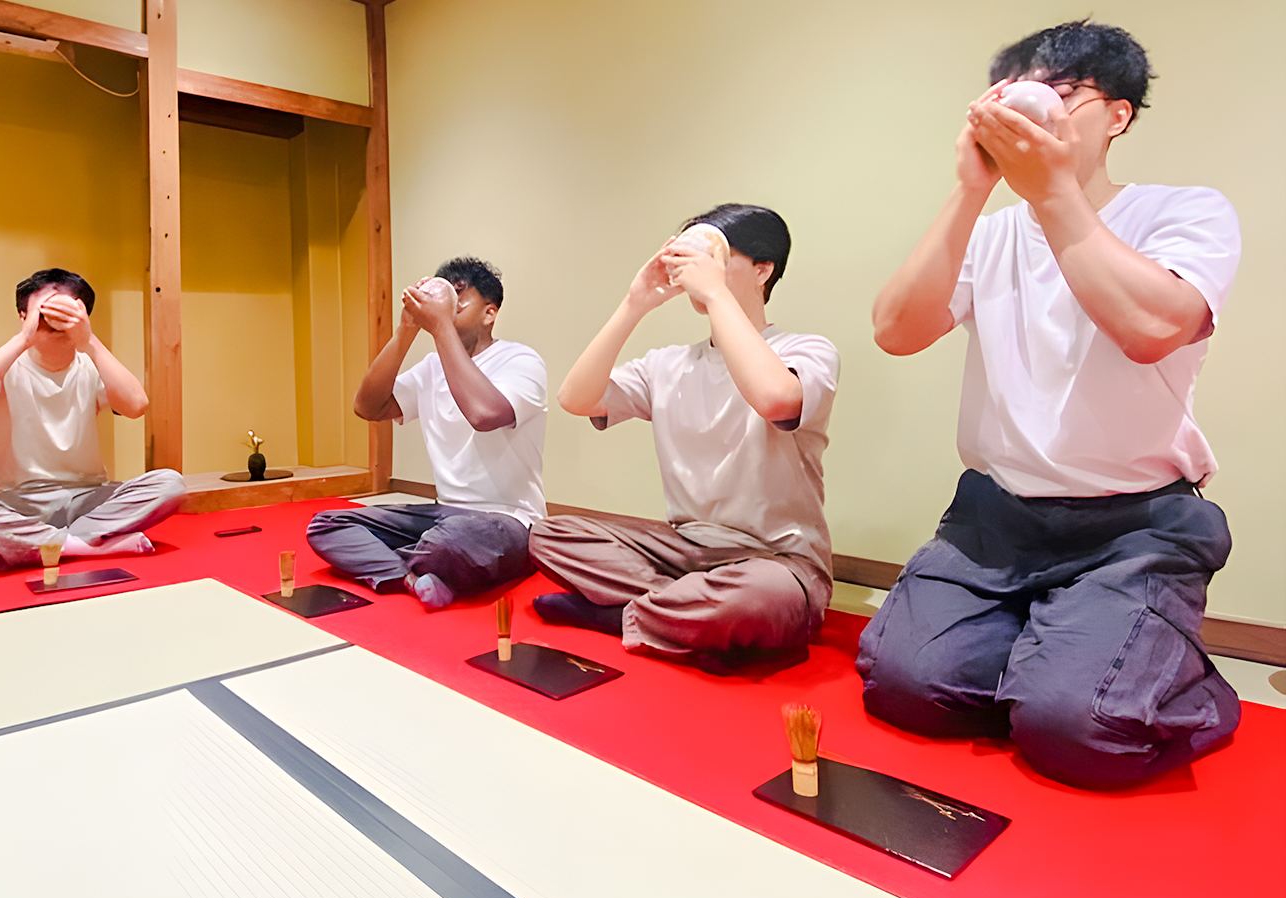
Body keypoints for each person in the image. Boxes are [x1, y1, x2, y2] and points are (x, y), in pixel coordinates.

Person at [860, 21, 1242, 787]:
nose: (1036, 109)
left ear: (1118, 114)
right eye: (1015, 93)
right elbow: (895, 331)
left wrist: (1055, 194)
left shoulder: (1186, 211)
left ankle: (1163, 674)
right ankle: (1064, 646)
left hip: (1138, 527)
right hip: (992, 523)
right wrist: (972, 186)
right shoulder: (990, 229)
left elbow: (1150, 328)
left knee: (1077, 730)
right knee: (906, 688)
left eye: (1063, 91)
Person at [531, 205, 839, 669]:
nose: (696, 267)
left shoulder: (806, 350)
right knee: (549, 534)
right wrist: (635, 301)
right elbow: (576, 399)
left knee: (759, 598)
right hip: (682, 550)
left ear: (763, 269)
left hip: (775, 560)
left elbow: (776, 400)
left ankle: (626, 614)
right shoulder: (668, 364)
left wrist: (717, 295)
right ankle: (683, 617)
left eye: (715, 255)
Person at [306, 257, 546, 609]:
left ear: (489, 313)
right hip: (443, 513)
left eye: (460, 296)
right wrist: (407, 328)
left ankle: (405, 561)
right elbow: (368, 407)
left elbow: (484, 415)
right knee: (326, 525)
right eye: (444, 292)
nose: (449, 304)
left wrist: (439, 327)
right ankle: (412, 576)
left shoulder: (520, 360)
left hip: (508, 518)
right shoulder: (432, 367)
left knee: (454, 540)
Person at [0, 268, 184, 566]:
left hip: (87, 498)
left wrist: (89, 340)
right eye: (43, 310)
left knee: (171, 483)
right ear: (22, 315)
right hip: (17, 501)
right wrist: (24, 337)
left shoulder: (91, 365)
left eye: (66, 309)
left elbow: (136, 405)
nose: (54, 318)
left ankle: (51, 543)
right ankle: (87, 546)